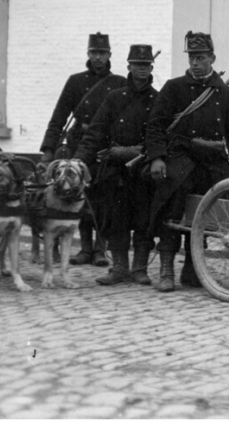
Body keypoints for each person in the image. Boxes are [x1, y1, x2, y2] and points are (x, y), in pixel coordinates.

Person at [145, 31, 229, 293]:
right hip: (180, 157)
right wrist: (157, 157)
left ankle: (193, 268)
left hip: (212, 162)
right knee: (173, 207)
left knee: (204, 214)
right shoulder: (173, 87)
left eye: (201, 57)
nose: (195, 62)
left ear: (212, 58)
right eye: (192, 57)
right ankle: (167, 269)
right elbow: (155, 125)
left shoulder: (224, 92)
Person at [74, 45, 159, 286]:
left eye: (146, 65)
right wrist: (80, 160)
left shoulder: (159, 99)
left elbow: (162, 136)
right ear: (129, 67)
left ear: (151, 67)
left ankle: (140, 268)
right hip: (116, 172)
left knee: (144, 221)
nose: (141, 69)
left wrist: (143, 153)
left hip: (143, 171)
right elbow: (95, 132)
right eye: (137, 64)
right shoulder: (114, 98)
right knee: (116, 219)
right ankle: (120, 267)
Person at [39, 32, 126, 267]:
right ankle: (85, 249)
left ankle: (100, 249)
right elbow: (59, 117)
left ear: (109, 55)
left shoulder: (119, 82)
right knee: (80, 195)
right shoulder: (75, 81)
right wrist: (48, 150)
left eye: (103, 53)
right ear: (88, 54)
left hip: (106, 147)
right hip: (79, 144)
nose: (98, 57)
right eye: (94, 53)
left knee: (104, 198)